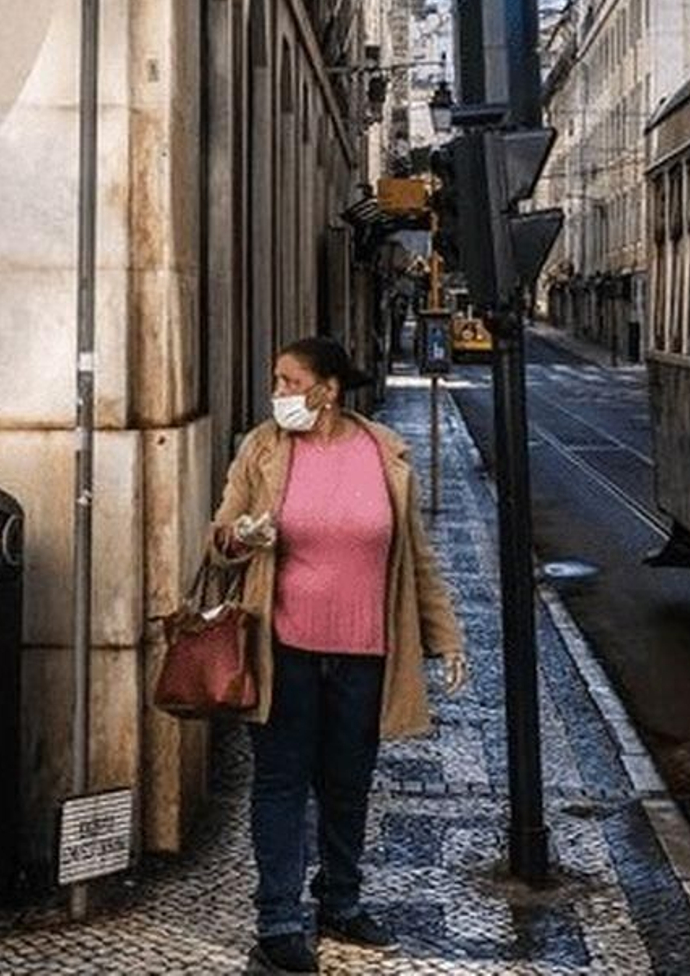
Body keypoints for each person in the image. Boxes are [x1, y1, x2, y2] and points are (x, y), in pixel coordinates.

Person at [210, 336, 468, 975]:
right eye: (275, 380)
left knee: (347, 786)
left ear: (326, 391)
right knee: (280, 783)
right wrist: (240, 536)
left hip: (364, 654)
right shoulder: (262, 448)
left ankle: (341, 901)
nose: (277, 393)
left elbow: (417, 559)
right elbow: (220, 537)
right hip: (284, 650)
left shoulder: (382, 451)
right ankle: (277, 918)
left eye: (288, 381)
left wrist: (447, 637)